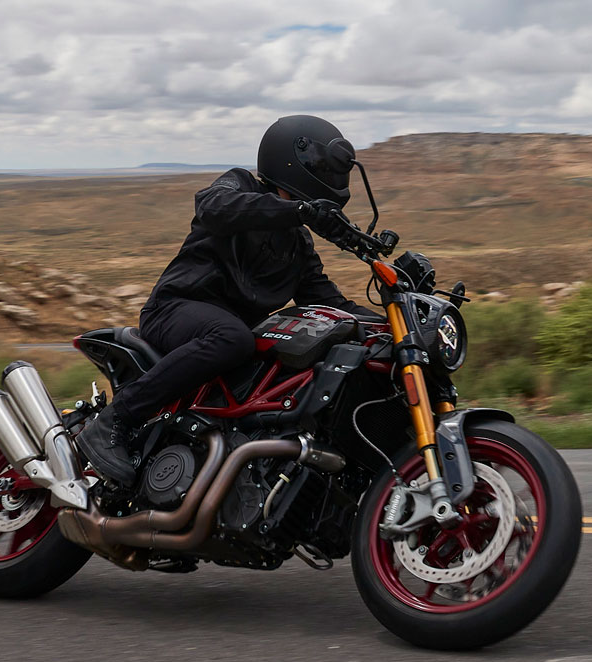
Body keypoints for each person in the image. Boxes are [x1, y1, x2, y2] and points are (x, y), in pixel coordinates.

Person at [76, 114, 378, 484]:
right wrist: (299, 211)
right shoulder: (239, 186)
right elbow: (213, 207)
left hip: (225, 339)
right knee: (234, 338)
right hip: (172, 311)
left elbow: (332, 306)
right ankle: (113, 420)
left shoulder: (298, 245)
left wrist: (395, 325)